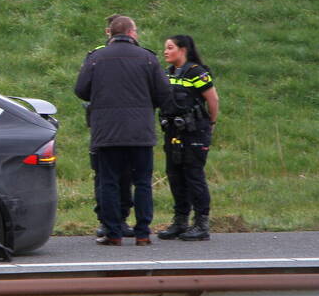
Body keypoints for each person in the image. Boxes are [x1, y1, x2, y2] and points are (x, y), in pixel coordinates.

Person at [74, 15, 171, 246]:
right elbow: (164, 93)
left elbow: (81, 90)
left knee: (108, 181)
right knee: (143, 182)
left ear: (111, 33)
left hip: (107, 132)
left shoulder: (95, 58)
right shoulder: (148, 58)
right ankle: (143, 232)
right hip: (140, 132)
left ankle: (113, 232)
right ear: (131, 33)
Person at [157, 34, 219, 241]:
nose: (166, 51)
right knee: (175, 175)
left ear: (182, 50)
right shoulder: (168, 73)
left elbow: (213, 99)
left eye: (170, 47)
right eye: (165, 48)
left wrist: (211, 123)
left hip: (194, 132)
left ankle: (201, 223)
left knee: (194, 175)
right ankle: (181, 221)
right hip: (173, 132)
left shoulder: (196, 72)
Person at [89, 15, 135, 238]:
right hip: (104, 125)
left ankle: (122, 217)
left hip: (123, 125)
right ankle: (106, 220)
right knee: (103, 176)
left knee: (125, 175)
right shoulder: (96, 55)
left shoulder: (138, 55)